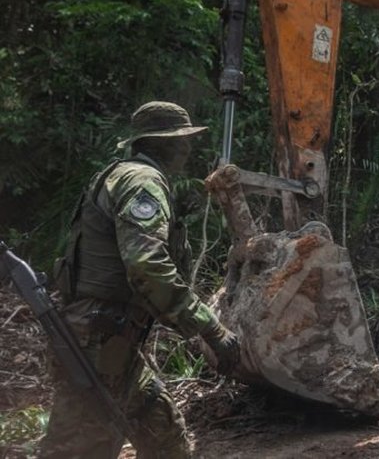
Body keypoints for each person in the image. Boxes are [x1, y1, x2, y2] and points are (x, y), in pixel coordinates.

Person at [40, 101, 240, 458]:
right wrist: (211, 328)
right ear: (164, 143)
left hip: (114, 341)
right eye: (183, 140)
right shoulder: (143, 182)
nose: (188, 148)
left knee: (165, 437)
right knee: (78, 448)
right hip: (100, 343)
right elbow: (147, 265)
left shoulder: (123, 175)